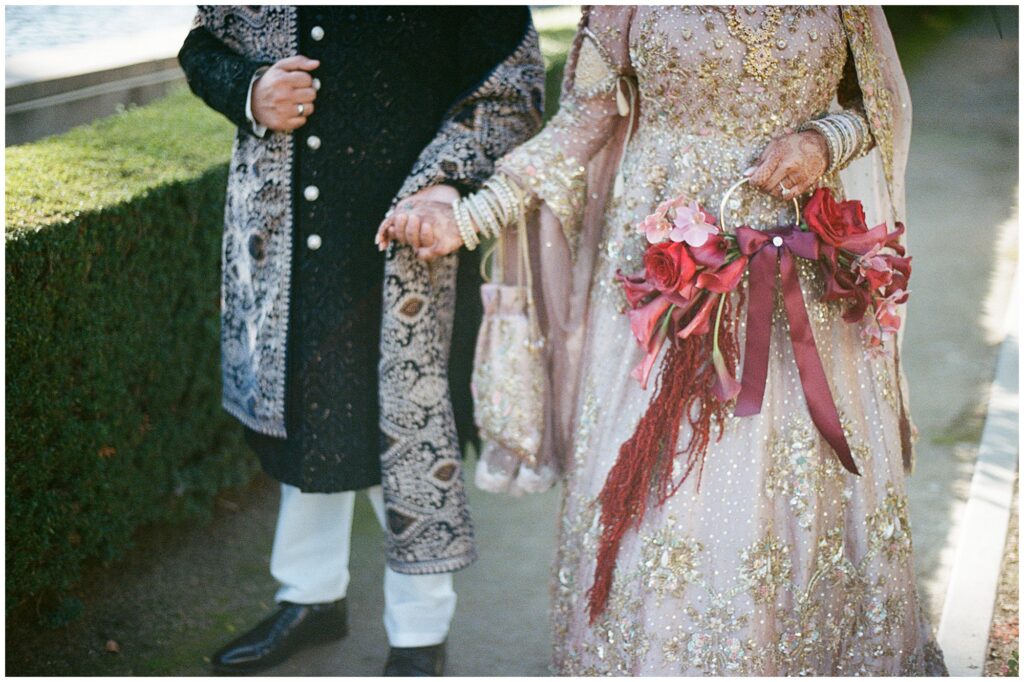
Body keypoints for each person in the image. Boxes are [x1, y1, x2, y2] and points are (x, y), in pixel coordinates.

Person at [380, 6, 948, 675]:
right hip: (659, 278)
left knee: (796, 489)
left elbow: (874, 102)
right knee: (669, 490)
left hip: (802, 272)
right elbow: (583, 119)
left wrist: (825, 141)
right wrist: (471, 215)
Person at [177, 6, 544, 675]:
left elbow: (511, 84)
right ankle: (310, 599)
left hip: (410, 236)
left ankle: (419, 634)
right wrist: (249, 88)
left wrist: (444, 183)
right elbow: (203, 44)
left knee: (408, 431)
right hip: (288, 235)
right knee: (308, 415)